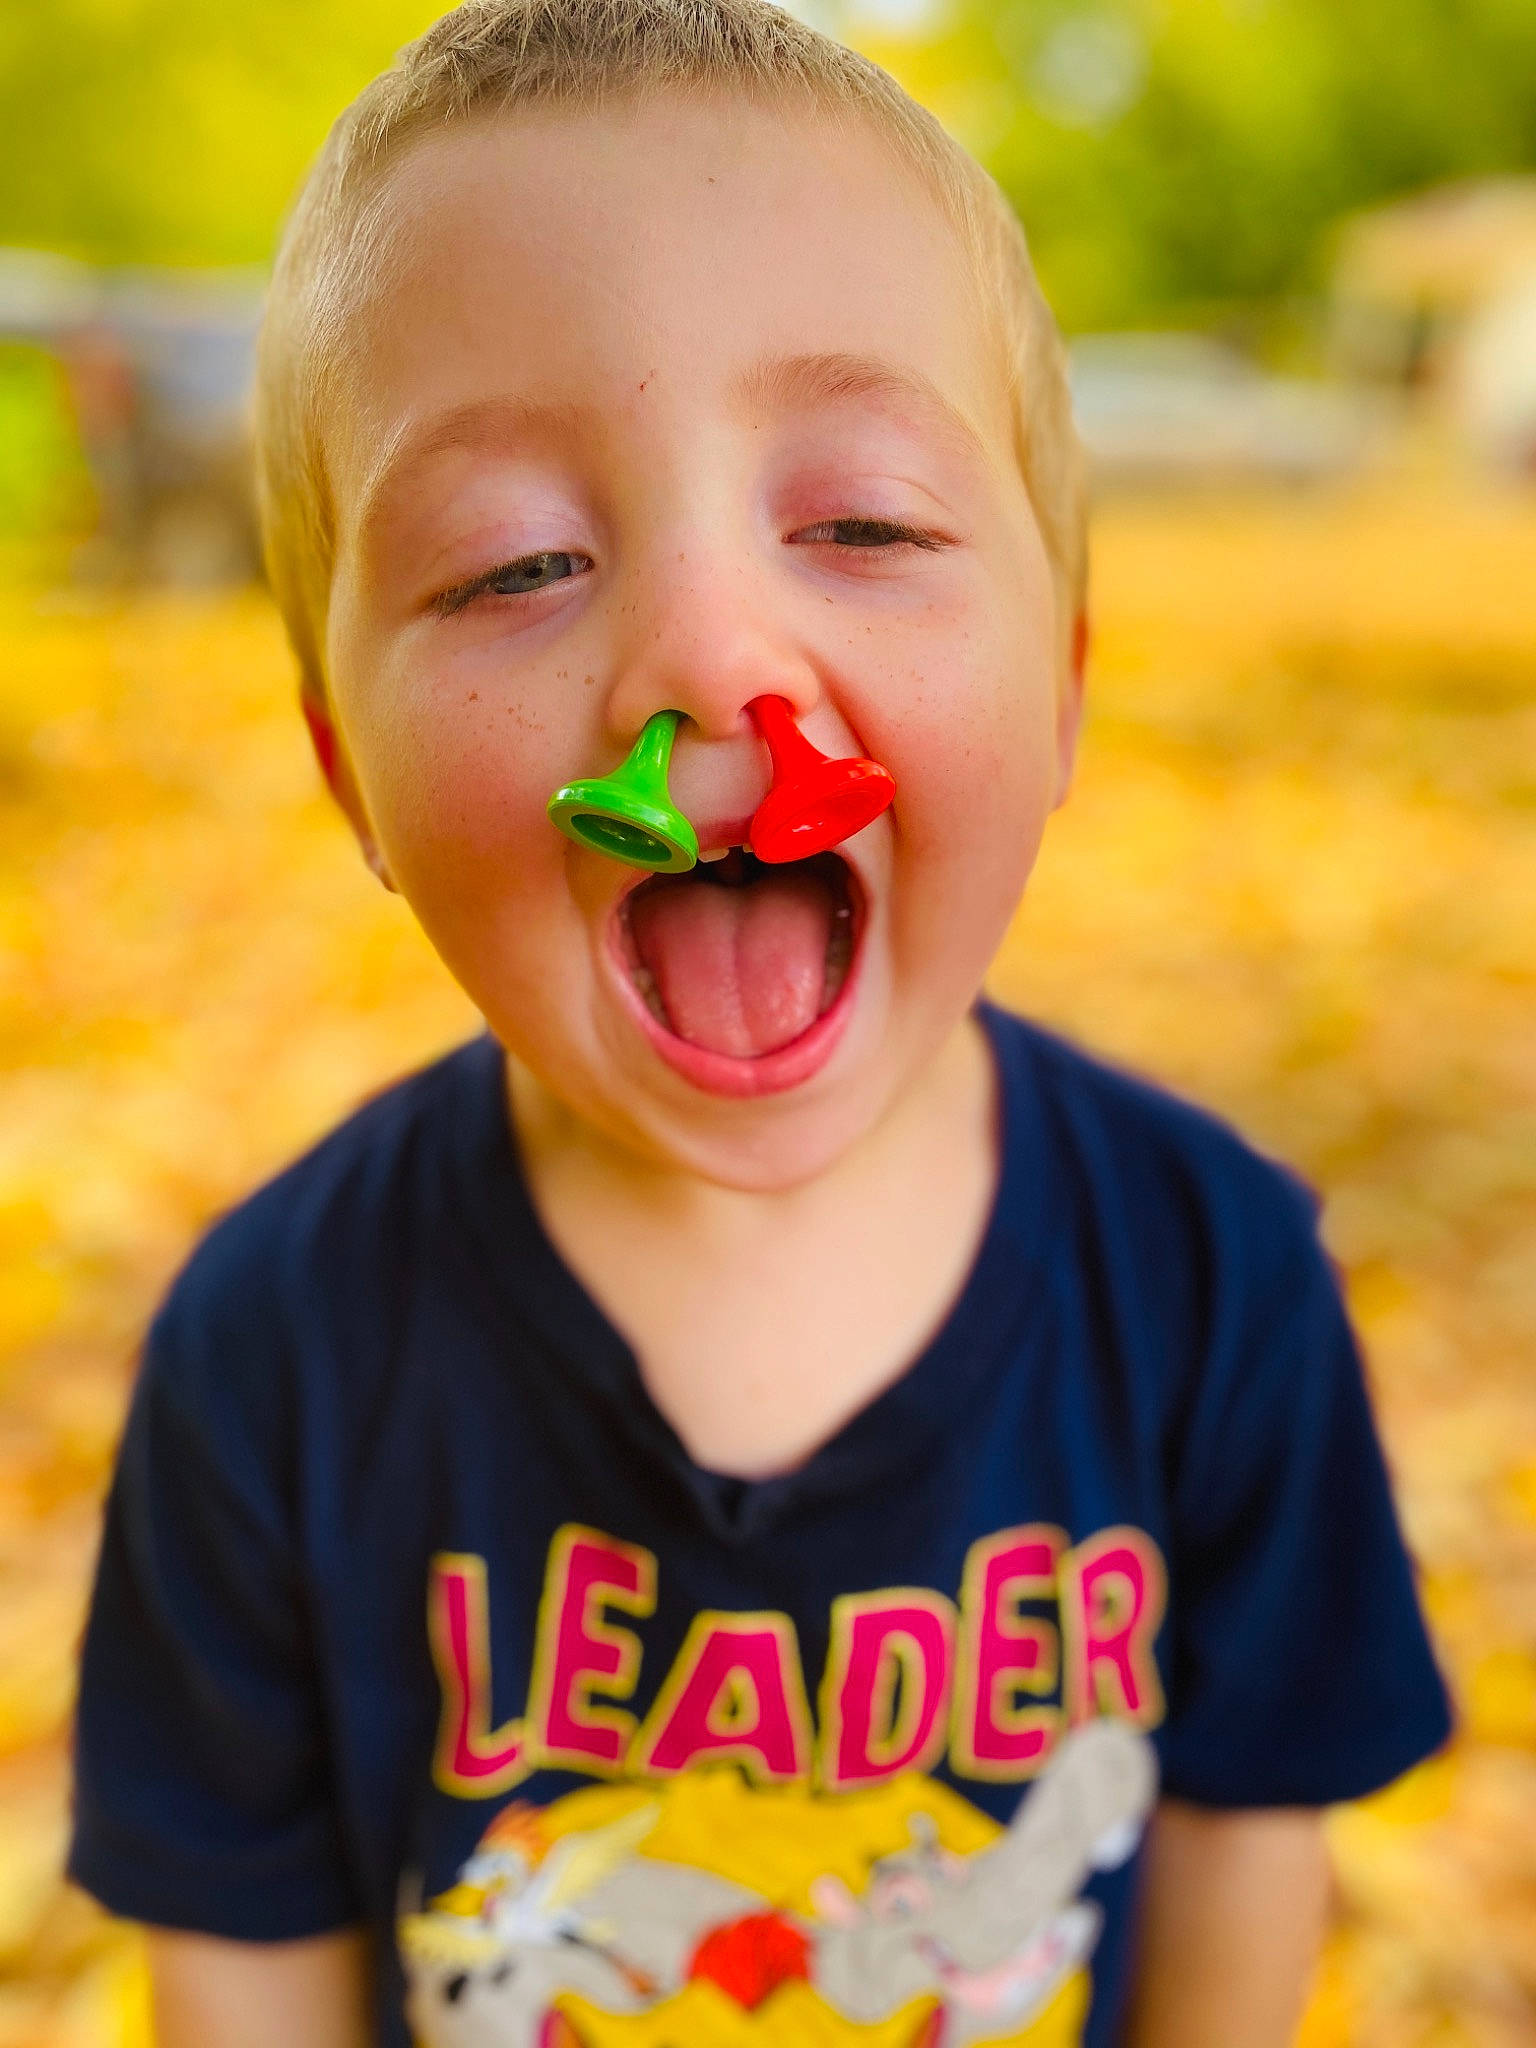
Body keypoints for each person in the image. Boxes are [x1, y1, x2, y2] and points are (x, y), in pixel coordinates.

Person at [67, 4, 1452, 2044]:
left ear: (1064, 683)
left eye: (864, 525)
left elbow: (1248, 1851)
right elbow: (238, 1964)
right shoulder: (272, 1351)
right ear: (349, 769)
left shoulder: (1213, 1277)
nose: (713, 662)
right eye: (516, 563)